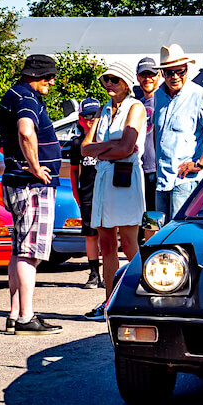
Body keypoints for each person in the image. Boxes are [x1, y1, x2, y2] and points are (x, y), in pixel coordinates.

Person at [0, 54, 63, 335]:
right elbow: (26, 132)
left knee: (18, 250)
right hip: (30, 185)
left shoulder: (13, 94)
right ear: (34, 75)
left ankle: (15, 313)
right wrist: (36, 168)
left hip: (15, 181)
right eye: (48, 76)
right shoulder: (27, 99)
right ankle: (26, 316)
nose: (51, 81)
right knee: (30, 252)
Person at [82, 60, 147, 313]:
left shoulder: (136, 107)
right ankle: (109, 302)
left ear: (126, 83)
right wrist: (110, 148)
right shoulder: (102, 109)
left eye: (114, 79)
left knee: (129, 243)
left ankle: (148, 290)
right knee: (106, 244)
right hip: (103, 178)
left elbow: (127, 147)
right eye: (106, 79)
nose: (108, 83)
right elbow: (85, 147)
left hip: (126, 178)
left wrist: (102, 150)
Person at [153, 44, 203, 221]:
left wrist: (200, 163)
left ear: (187, 69)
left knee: (180, 237)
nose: (175, 77)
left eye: (181, 71)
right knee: (161, 237)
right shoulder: (158, 96)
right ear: (163, 74)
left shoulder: (199, 95)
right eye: (170, 72)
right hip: (162, 181)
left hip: (185, 181)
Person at [69, 97, 103, 290]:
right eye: (87, 116)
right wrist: (76, 193)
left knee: (107, 234)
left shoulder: (105, 139)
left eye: (94, 116)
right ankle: (94, 273)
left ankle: (109, 271)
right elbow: (74, 171)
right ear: (80, 119)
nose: (91, 120)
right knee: (90, 235)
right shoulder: (77, 144)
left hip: (105, 193)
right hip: (87, 194)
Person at [135, 56, 160, 212]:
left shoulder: (164, 101)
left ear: (158, 75)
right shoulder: (137, 105)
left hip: (158, 170)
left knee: (157, 216)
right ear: (138, 77)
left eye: (151, 74)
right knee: (143, 216)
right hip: (140, 169)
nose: (147, 78)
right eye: (143, 75)